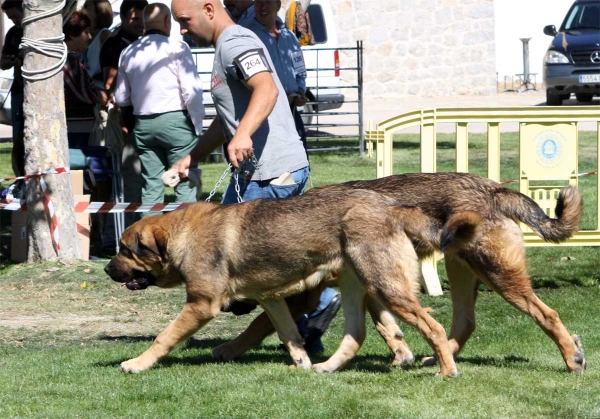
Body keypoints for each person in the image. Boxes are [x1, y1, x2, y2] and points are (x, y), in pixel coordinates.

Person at [245, 0, 340, 353]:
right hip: (267, 130)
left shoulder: (286, 37)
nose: (265, 4)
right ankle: (307, 318)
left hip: (283, 133)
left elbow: (291, 75)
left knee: (272, 247)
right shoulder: (248, 35)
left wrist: (298, 91)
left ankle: (314, 309)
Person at [114, 3, 204, 215]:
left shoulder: (128, 52)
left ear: (145, 24)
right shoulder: (179, 48)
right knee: (184, 183)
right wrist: (197, 125)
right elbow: (191, 92)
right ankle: (186, 238)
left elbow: (121, 97)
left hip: (143, 124)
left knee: (151, 187)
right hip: (176, 122)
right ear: (167, 22)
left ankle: (149, 241)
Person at [99, 0, 147, 228]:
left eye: (143, 18)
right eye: (135, 18)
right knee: (128, 181)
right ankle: (126, 232)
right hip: (125, 122)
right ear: (125, 17)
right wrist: (122, 123)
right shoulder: (114, 45)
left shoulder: (144, 42)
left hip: (143, 120)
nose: (140, 23)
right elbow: (110, 86)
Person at [1, 0, 24, 176]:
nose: (14, 21)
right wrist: (9, 61)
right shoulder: (12, 33)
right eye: (10, 18)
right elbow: (2, 62)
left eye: (15, 16)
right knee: (17, 137)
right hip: (17, 90)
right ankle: (19, 176)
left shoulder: (34, 31)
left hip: (32, 88)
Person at [80, 0, 114, 89]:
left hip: (99, 92)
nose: (82, 10)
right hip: (84, 91)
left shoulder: (104, 35)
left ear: (100, 13)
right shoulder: (82, 34)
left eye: (87, 7)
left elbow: (113, 67)